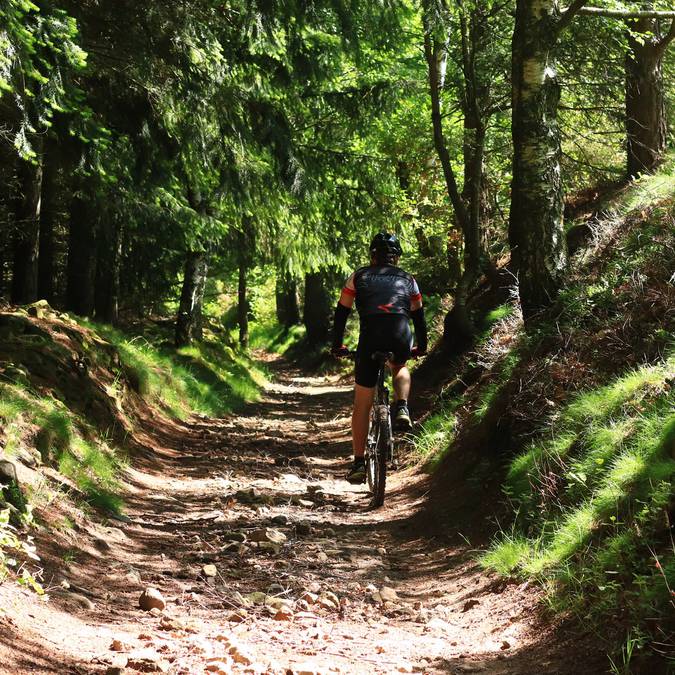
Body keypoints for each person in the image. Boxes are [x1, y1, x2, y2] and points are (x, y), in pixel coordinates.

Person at [331, 232, 428, 484]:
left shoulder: (358, 276)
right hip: (399, 334)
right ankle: (403, 406)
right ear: (397, 257)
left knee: (362, 403)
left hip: (370, 338)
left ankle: (359, 462)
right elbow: (418, 316)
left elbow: (341, 313)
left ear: (372, 254)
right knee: (400, 365)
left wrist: (337, 345)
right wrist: (422, 346)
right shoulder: (409, 280)